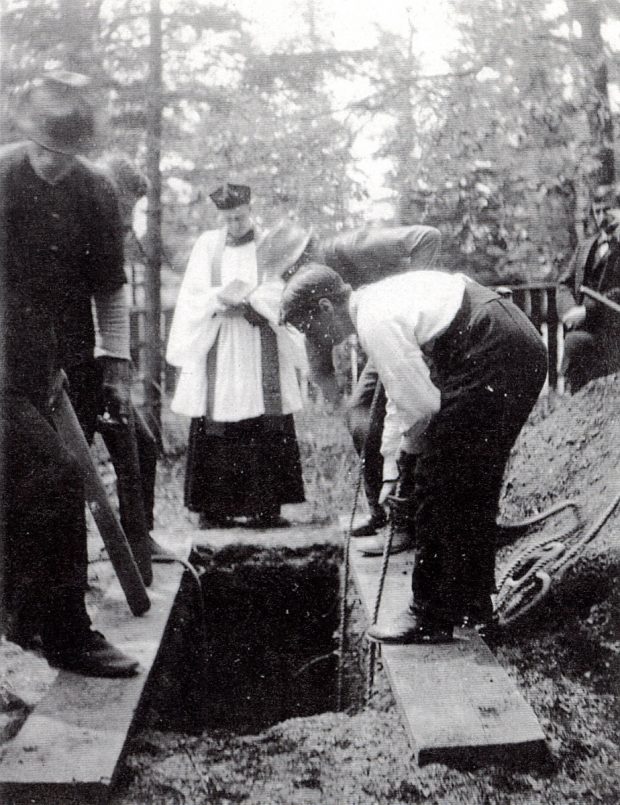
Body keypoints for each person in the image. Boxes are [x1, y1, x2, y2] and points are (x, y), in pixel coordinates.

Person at [281, 265, 547, 643]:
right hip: (510, 341)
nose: (315, 340)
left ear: (325, 307)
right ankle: (471, 604)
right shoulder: (374, 303)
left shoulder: (374, 319)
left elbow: (421, 407)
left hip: (496, 347)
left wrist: (406, 460)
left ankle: (430, 615)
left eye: (309, 328)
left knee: (438, 478)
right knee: (469, 478)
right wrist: (392, 466)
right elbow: (399, 396)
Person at [0, 71, 139, 675]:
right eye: (43, 151)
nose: (51, 164)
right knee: (52, 476)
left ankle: (33, 621)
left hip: (64, 354)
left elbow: (111, 287)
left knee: (51, 489)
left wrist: (115, 362)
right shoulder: (1, 177)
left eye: (66, 154)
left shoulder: (96, 192)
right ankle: (62, 633)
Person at [166, 184, 308, 528]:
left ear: (250, 209)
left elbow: (281, 288)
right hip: (220, 341)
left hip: (261, 340)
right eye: (228, 219)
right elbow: (192, 295)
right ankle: (214, 510)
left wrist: (261, 304)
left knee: (265, 416)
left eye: (240, 217)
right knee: (217, 419)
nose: (234, 225)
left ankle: (266, 507)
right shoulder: (207, 245)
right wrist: (219, 298)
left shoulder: (269, 243)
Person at [312, 225, 442, 555]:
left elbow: (427, 238)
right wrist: (335, 399)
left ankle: (406, 522)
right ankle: (382, 513)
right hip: (379, 333)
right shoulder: (306, 291)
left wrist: (411, 296)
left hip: (409, 328)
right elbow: (316, 351)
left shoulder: (346, 249)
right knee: (361, 418)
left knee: (407, 413)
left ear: (309, 253)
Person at [558, 183, 620, 392]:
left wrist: (586, 311)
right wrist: (569, 311)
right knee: (575, 346)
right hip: (583, 332)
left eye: (608, 210)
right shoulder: (585, 246)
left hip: (613, 333)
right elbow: (564, 283)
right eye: (597, 211)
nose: (602, 217)